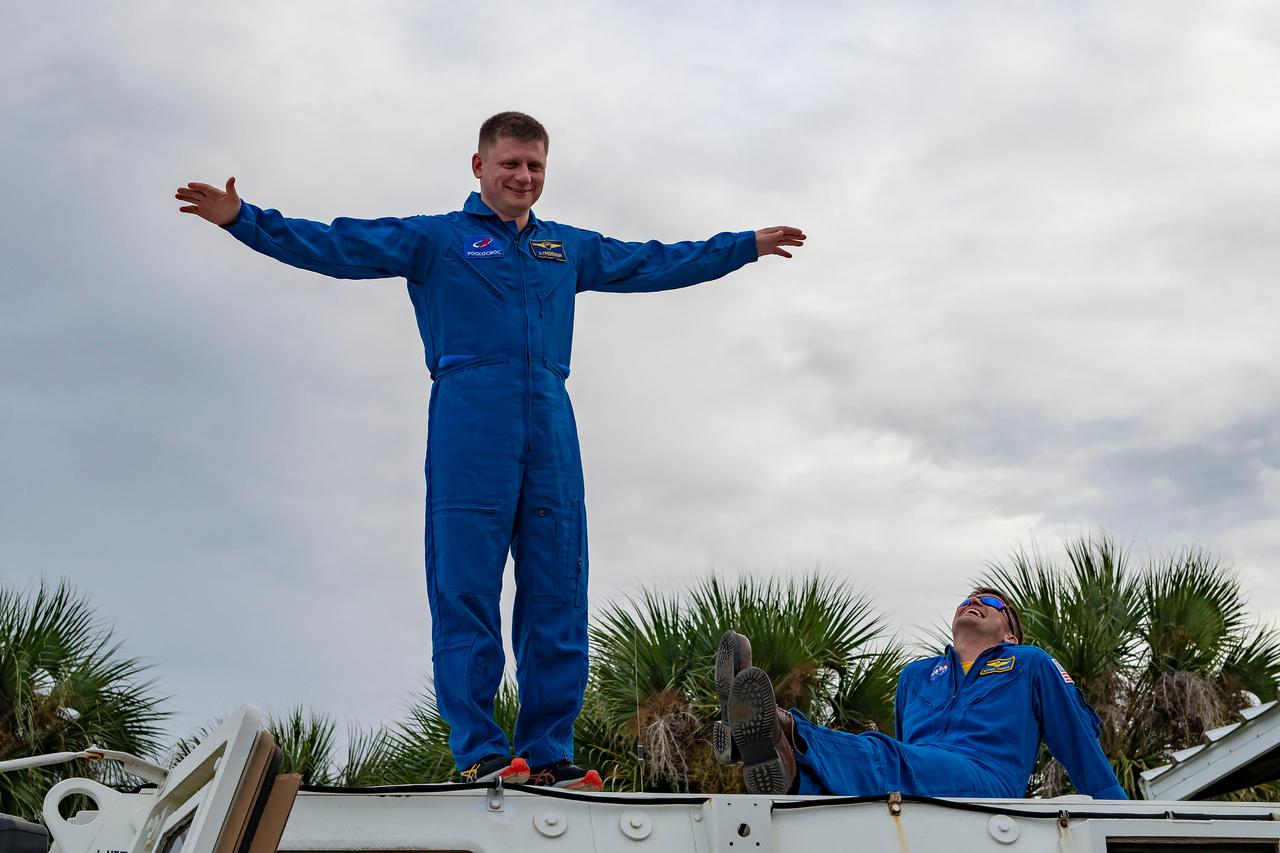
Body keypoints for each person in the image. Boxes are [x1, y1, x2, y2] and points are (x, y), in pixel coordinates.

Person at [176, 111, 806, 791]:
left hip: (550, 422)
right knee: (466, 589)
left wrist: (741, 245)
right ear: (479, 166)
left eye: (535, 166)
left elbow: (653, 259)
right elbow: (336, 246)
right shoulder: (435, 239)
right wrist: (244, 218)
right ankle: (479, 747)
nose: (523, 177)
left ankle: (546, 750)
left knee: (557, 592)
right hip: (469, 418)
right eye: (510, 164)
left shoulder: (565, 248)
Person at [715, 587, 1127, 799]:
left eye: (989, 601)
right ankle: (779, 761)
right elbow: (905, 750)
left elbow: (1078, 742)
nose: (973, 602)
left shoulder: (1029, 663)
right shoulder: (916, 675)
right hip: (923, 773)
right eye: (967, 599)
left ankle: (779, 729)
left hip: (987, 780)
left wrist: (1121, 818)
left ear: (1010, 632)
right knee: (883, 761)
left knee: (885, 755)